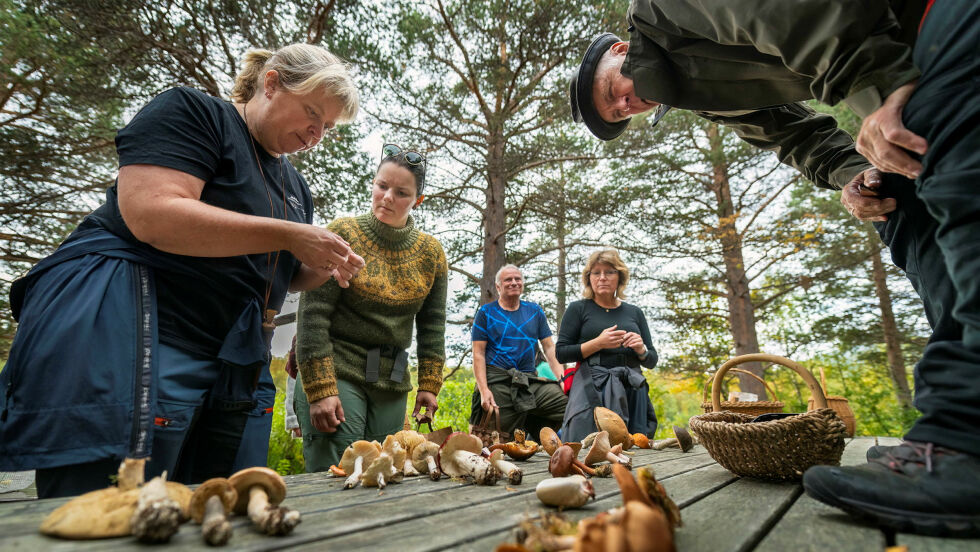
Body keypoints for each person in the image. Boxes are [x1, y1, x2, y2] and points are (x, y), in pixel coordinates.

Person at [569, 0, 980, 537]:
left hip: (925, 29)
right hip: (897, 61)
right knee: (903, 208)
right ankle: (954, 436)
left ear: (619, 51)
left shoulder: (662, 11)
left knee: (957, 191)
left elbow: (792, 12)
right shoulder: (709, 96)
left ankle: (966, 442)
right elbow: (796, 135)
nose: (626, 106)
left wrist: (884, 87)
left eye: (612, 94)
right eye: (619, 114)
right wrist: (857, 175)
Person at [0, 43, 365, 498]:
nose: (316, 133)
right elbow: (152, 214)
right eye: (312, 113)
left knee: (215, 507)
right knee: (114, 504)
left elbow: (282, 272)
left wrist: (323, 266)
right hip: (147, 342)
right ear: (271, 83)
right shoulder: (195, 113)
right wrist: (289, 235)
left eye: (327, 127)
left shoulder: (295, 186)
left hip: (235, 367)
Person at [292, 143, 447, 472]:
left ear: (418, 200)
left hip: (391, 378)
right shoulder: (343, 234)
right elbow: (312, 316)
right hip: (338, 368)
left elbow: (433, 326)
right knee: (339, 474)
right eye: (382, 186)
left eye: (402, 192)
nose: (388, 197)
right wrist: (320, 389)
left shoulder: (431, 253)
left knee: (385, 471)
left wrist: (429, 386)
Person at [556, 249, 658, 442]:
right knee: (586, 442)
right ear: (589, 278)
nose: (602, 277)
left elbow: (652, 360)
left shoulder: (634, 312)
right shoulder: (578, 309)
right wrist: (598, 343)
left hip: (632, 386)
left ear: (619, 277)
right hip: (591, 384)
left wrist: (641, 349)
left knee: (636, 444)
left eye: (609, 272)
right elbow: (561, 353)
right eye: (596, 273)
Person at [469, 265, 568, 437]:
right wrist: (484, 390)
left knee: (571, 404)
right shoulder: (486, 312)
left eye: (518, 279)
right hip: (499, 383)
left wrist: (563, 379)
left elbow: (549, 347)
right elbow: (478, 354)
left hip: (528, 381)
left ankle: (541, 435)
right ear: (498, 286)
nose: (514, 282)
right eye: (508, 279)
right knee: (492, 443)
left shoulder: (534, 311)